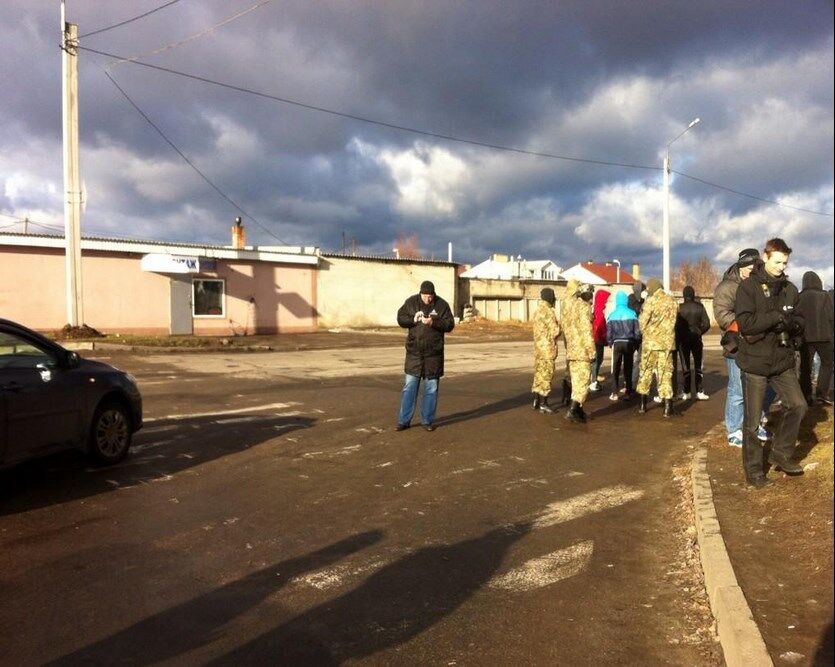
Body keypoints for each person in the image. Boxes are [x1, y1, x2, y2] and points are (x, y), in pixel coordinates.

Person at [736, 238, 807, 488]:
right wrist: (775, 317)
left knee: (798, 405)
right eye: (777, 261)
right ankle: (754, 472)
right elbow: (746, 323)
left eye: (784, 262)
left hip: (781, 360)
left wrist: (792, 324)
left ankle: (781, 453)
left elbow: (800, 320)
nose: (780, 266)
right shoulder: (748, 287)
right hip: (755, 361)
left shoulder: (790, 289)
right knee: (752, 423)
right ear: (765, 258)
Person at [713, 248, 770, 447]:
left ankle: (756, 423)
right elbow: (722, 315)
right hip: (735, 345)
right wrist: (747, 325)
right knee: (737, 389)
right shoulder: (727, 287)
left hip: (757, 344)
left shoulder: (759, 285)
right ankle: (734, 429)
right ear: (743, 267)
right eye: (751, 267)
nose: (754, 271)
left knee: (759, 386)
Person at [395, 280, 455, 431]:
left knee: (431, 389)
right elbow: (401, 318)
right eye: (424, 296)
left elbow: (449, 325)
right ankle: (404, 420)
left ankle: (427, 421)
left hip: (433, 355)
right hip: (414, 354)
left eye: (430, 296)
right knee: (409, 388)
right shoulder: (411, 302)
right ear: (420, 293)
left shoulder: (442, 305)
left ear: (433, 294)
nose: (427, 299)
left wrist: (433, 322)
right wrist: (412, 319)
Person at [636, 278, 678, 417]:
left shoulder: (650, 301)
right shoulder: (672, 301)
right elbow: (675, 319)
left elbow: (642, 323)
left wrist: (648, 331)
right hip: (666, 344)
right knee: (666, 374)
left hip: (650, 344)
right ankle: (668, 407)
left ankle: (642, 405)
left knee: (646, 372)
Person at [796, 271, 834, 406]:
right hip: (825, 337)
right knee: (827, 364)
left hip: (806, 338)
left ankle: (806, 396)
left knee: (806, 367)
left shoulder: (799, 297)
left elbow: (796, 318)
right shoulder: (825, 296)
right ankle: (821, 395)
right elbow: (831, 317)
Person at [561, 279, 596, 423]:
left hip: (572, 350)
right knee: (582, 382)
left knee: (576, 381)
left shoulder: (566, 307)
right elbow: (586, 330)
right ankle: (572, 410)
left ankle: (578, 411)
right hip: (582, 350)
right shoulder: (582, 306)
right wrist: (592, 351)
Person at [675, 285, 711, 400]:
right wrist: (699, 331)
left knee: (685, 366)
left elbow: (675, 325)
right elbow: (707, 323)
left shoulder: (679, 308)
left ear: (684, 295)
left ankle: (687, 392)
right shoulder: (700, 307)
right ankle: (699, 391)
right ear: (693, 295)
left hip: (683, 340)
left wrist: (679, 335)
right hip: (696, 339)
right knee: (698, 365)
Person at [606, 291, 640, 400]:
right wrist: (635, 343)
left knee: (615, 367)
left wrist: (611, 342)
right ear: (626, 301)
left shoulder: (612, 314)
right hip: (629, 343)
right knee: (628, 368)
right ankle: (628, 391)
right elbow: (637, 332)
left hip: (617, 343)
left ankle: (614, 392)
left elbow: (609, 332)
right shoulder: (632, 313)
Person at [531, 287, 561, 413]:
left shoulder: (537, 311)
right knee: (547, 375)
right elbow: (555, 331)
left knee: (538, 374)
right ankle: (544, 403)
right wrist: (561, 327)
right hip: (547, 349)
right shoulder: (548, 312)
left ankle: (536, 400)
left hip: (538, 349)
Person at [589, 288, 611, 392]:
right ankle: (593, 381)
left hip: (597, 340)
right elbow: (600, 328)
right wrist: (606, 337)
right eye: (605, 300)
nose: (606, 303)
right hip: (597, 340)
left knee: (597, 360)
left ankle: (594, 377)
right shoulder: (599, 313)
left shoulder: (597, 311)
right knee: (596, 361)